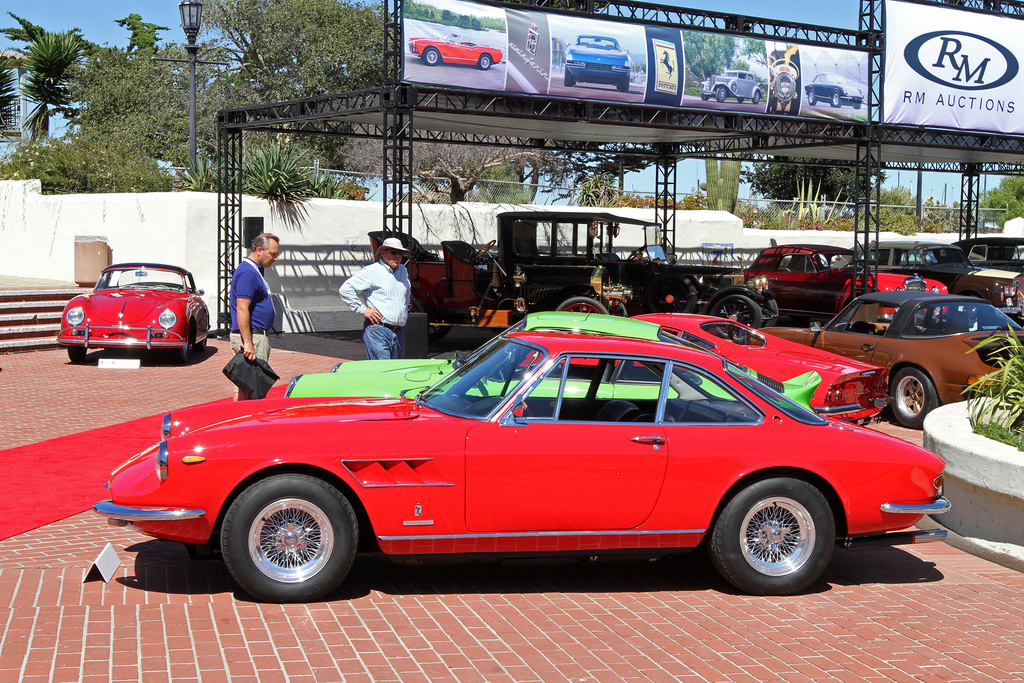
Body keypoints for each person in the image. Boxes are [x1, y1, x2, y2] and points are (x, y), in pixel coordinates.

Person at [340, 236, 412, 360]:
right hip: (378, 330)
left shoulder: (402, 271)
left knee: (396, 372)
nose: (398, 256)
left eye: (400, 253)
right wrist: (364, 310)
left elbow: (406, 295)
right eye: (393, 252)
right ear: (382, 253)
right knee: (382, 372)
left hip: (398, 331)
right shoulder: (371, 271)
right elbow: (346, 289)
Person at [230, 232, 281, 366]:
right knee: (253, 384)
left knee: (251, 384)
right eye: (272, 254)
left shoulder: (254, 270)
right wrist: (248, 343)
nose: (275, 258)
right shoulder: (248, 272)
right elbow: (241, 308)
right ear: (259, 250)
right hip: (253, 337)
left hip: (255, 336)